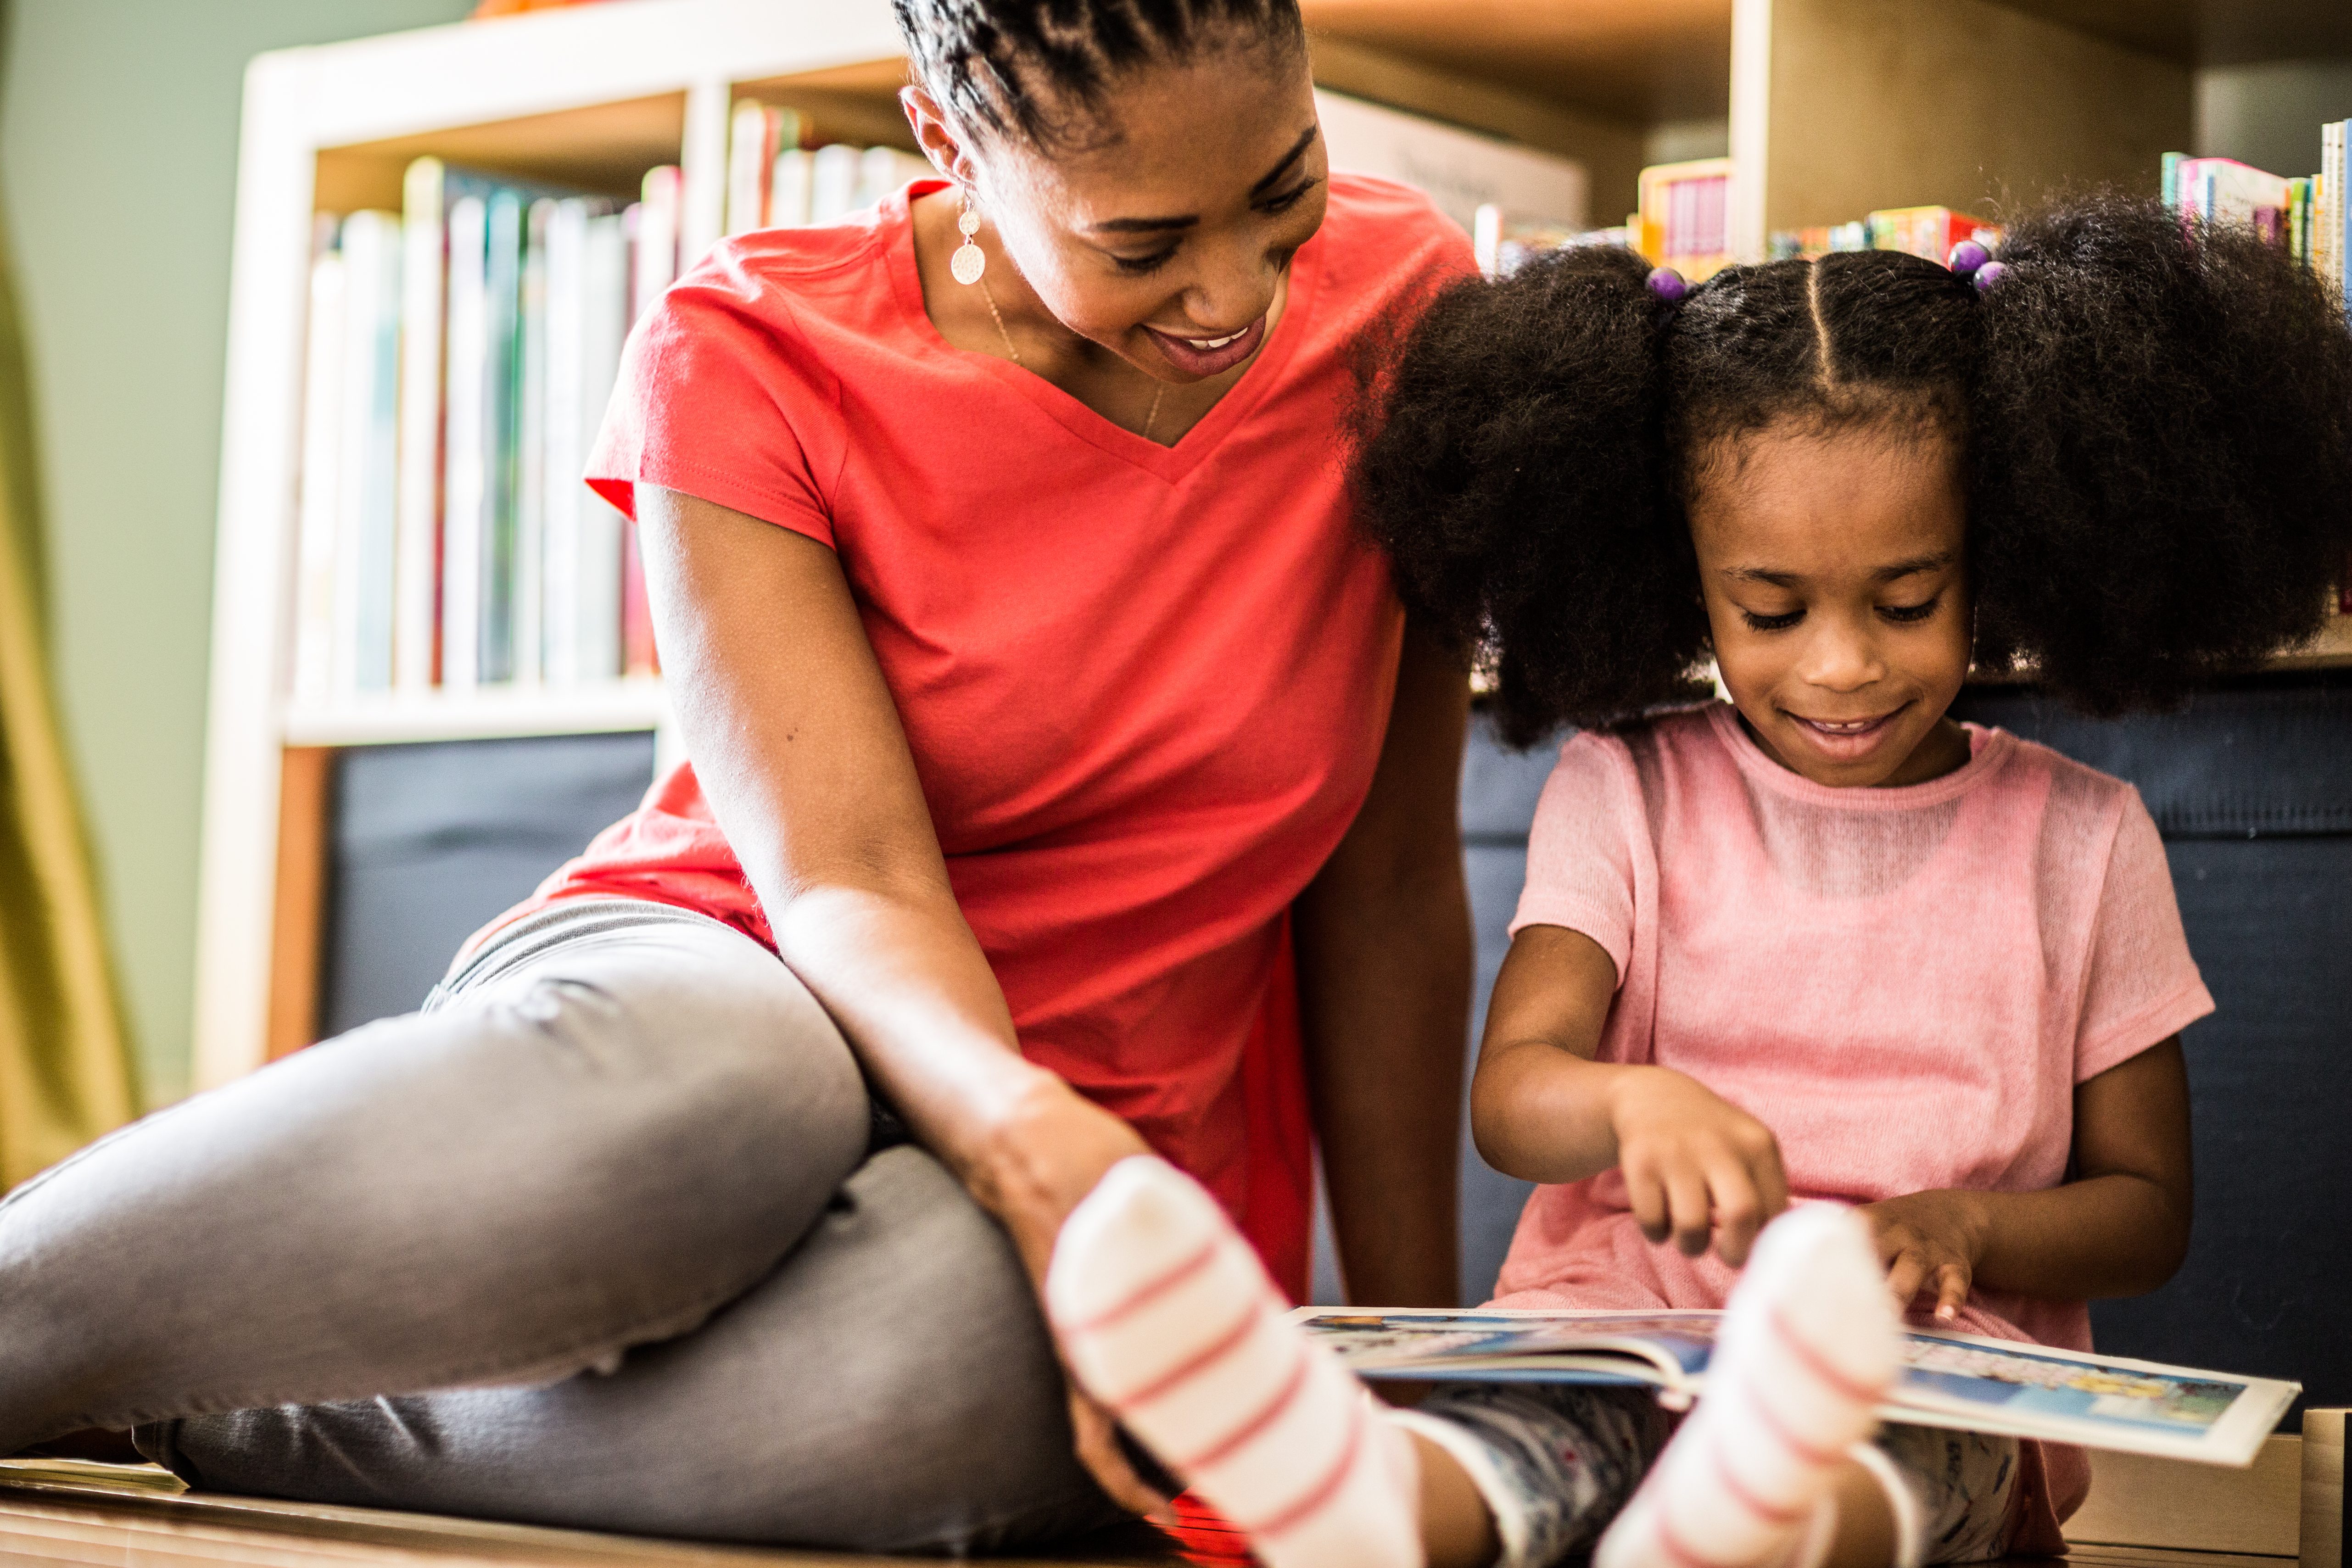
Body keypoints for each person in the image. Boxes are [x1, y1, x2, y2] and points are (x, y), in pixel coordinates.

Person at [0, 0, 1479, 1550]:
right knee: (731, 1098)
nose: (1236, 289)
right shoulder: (750, 350)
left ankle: (208, 1405)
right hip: (744, 971)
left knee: (965, 1376)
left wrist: (1423, 1368)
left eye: (1284, 189)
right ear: (949, 145)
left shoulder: (1407, 307)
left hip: (1093, 1156)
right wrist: (1028, 1136)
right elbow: (849, 879)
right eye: (1146, 240)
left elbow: (1385, 885)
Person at [1033, 194, 2352, 1568]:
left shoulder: (2085, 836)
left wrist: (1963, 1225)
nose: (1840, 667)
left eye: (1906, 601)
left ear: (2006, 546)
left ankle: (1745, 1518)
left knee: (1879, 1465)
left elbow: (2147, 1211)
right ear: (1682, 575)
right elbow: (1511, 1098)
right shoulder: (1628, 789)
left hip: (1925, 1370)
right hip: (1620, 1330)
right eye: (1770, 611)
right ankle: (1349, 1496)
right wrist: (1628, 1101)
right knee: (1515, 1443)